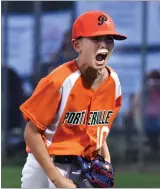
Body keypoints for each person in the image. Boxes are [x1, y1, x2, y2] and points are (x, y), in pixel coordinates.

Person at [19, 10, 127, 188]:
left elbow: (98, 130)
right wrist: (57, 179)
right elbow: (31, 133)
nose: (104, 45)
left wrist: (106, 161)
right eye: (96, 39)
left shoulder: (113, 83)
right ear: (77, 45)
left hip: (86, 166)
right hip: (47, 164)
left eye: (109, 39)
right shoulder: (58, 81)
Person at [133, 70, 160, 153]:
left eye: (156, 82)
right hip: (146, 121)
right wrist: (142, 93)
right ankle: (143, 136)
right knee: (137, 111)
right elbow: (134, 107)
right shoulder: (142, 93)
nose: (154, 86)